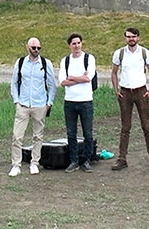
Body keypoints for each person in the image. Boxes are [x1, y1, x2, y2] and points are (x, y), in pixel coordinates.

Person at [110, 27, 149, 171]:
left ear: (138, 37)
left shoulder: (145, 53)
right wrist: (116, 90)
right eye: (128, 36)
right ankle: (122, 159)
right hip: (125, 92)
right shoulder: (119, 53)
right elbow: (114, 72)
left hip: (141, 92)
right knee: (125, 127)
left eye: (133, 36)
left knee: (147, 126)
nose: (131, 39)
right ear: (125, 38)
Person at [10, 37, 56, 177]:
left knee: (38, 136)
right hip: (23, 104)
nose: (36, 50)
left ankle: (35, 162)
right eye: (33, 48)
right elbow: (14, 83)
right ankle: (16, 165)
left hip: (40, 104)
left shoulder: (45, 63)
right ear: (28, 47)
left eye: (38, 48)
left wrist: (49, 103)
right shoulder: (21, 62)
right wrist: (16, 101)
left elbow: (52, 84)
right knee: (17, 136)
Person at [59, 33, 96, 173]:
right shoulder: (65, 61)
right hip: (70, 102)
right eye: (74, 43)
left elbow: (89, 78)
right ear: (69, 46)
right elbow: (62, 81)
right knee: (71, 132)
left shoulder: (89, 58)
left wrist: (73, 78)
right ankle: (73, 160)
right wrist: (80, 78)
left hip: (86, 101)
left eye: (79, 43)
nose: (77, 46)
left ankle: (86, 159)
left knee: (88, 132)